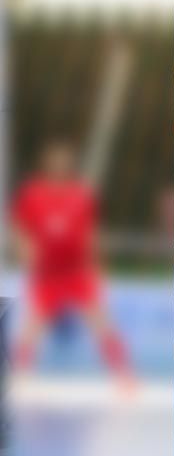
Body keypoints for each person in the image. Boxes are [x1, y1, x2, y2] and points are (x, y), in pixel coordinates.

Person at [10, 140, 132, 387]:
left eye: (65, 162)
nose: (60, 166)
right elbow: (20, 228)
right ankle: (19, 378)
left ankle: (124, 377)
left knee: (101, 322)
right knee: (33, 326)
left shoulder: (82, 195)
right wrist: (25, 251)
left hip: (77, 272)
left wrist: (97, 267)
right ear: (47, 165)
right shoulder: (33, 193)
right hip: (47, 273)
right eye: (55, 162)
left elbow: (91, 234)